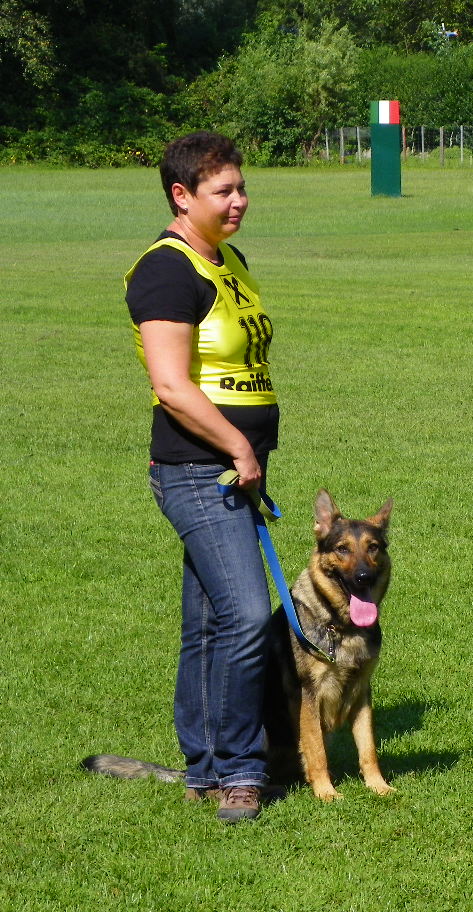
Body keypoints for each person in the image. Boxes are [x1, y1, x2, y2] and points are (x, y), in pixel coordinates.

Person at [124, 131, 278, 823]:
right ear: (181, 196)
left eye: (242, 187)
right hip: (199, 470)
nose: (239, 200)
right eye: (224, 191)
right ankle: (241, 770)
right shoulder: (166, 270)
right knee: (245, 615)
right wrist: (238, 448)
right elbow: (171, 384)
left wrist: (251, 452)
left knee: (212, 622)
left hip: (234, 467)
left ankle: (205, 767)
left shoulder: (230, 260)